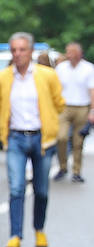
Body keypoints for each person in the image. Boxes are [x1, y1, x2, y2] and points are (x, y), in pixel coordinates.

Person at [0, 32, 65, 247]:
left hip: (42, 137)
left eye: (22, 49)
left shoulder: (46, 75)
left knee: (41, 190)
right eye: (14, 50)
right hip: (15, 137)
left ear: (31, 51)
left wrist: (49, 122)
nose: (18, 54)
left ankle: (39, 229)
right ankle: (15, 235)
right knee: (16, 188)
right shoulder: (3, 77)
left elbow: (58, 103)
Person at [54, 41, 94, 181]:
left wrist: (92, 111)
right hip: (64, 106)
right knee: (61, 137)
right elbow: (56, 89)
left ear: (78, 53)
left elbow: (92, 90)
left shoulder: (88, 68)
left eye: (71, 52)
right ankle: (62, 166)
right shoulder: (61, 68)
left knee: (78, 141)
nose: (68, 54)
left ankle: (76, 171)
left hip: (82, 106)